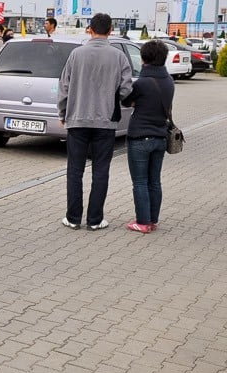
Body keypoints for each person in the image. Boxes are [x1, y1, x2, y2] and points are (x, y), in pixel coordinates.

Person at [57, 12, 133, 230]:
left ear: (90, 29)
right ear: (110, 31)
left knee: (75, 170)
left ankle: (72, 218)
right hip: (105, 122)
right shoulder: (119, 56)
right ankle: (95, 220)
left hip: (77, 120)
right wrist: (111, 98)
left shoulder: (76, 55)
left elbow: (64, 88)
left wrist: (63, 113)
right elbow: (127, 88)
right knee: (101, 170)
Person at [121, 40, 174, 233]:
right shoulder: (169, 81)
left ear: (144, 59)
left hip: (140, 138)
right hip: (160, 137)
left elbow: (126, 100)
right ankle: (152, 219)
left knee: (140, 182)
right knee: (155, 181)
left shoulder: (142, 83)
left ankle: (142, 222)